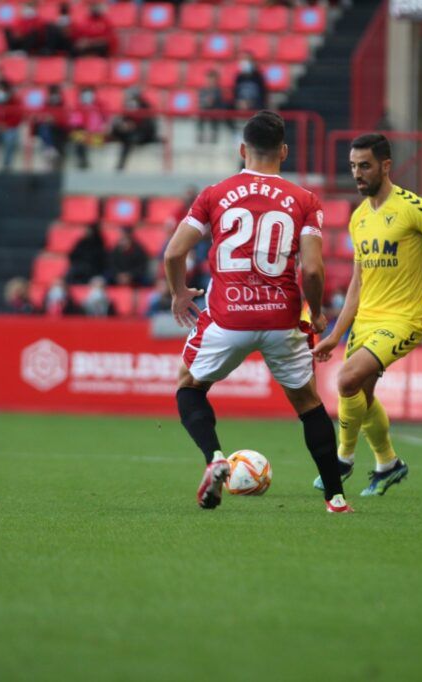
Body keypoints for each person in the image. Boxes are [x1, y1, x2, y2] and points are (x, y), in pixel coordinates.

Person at [163, 110, 352, 513]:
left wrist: (179, 293)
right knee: (308, 403)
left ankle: (215, 458)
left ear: (242, 150)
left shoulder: (214, 194)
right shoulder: (304, 200)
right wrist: (317, 314)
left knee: (188, 386)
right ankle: (335, 497)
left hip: (228, 317)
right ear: (284, 151)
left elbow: (174, 252)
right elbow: (314, 269)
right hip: (281, 317)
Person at [312, 133, 422, 496]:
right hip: (366, 321)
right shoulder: (358, 219)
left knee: (346, 379)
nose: (357, 173)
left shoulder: (413, 208)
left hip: (403, 320)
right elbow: (357, 284)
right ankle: (388, 464)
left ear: (386, 166)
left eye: (365, 166)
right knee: (360, 393)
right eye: (353, 166)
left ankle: (342, 459)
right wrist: (335, 335)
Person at [110, 88, 158, 172]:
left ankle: (120, 166)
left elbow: (148, 125)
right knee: (119, 130)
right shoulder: (127, 106)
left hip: (143, 135)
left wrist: (133, 126)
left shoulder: (145, 106)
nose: (128, 98)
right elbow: (124, 120)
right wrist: (124, 125)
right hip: (130, 134)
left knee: (128, 141)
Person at [68, 87, 108, 170]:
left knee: (87, 139)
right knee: (77, 138)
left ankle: (84, 162)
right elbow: (74, 124)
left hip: (96, 135)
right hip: (83, 135)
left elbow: (104, 123)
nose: (87, 97)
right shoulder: (77, 108)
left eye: (90, 94)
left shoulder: (99, 108)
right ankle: (83, 161)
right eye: (85, 95)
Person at [197, 70, 227, 144]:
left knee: (214, 112)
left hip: (215, 110)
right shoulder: (203, 90)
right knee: (201, 112)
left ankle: (214, 133)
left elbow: (215, 101)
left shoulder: (218, 90)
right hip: (205, 110)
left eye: (212, 79)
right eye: (209, 79)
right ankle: (200, 133)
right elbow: (201, 101)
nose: (210, 81)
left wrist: (208, 102)